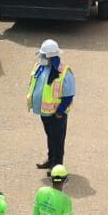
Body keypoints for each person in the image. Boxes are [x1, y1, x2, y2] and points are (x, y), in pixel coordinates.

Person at [29, 40, 75, 169]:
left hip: (57, 114)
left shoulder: (64, 71)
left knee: (58, 141)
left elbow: (69, 94)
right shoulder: (40, 67)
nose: (41, 58)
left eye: (43, 55)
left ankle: (57, 168)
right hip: (44, 112)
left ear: (50, 56)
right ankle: (51, 160)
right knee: (50, 137)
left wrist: (60, 112)